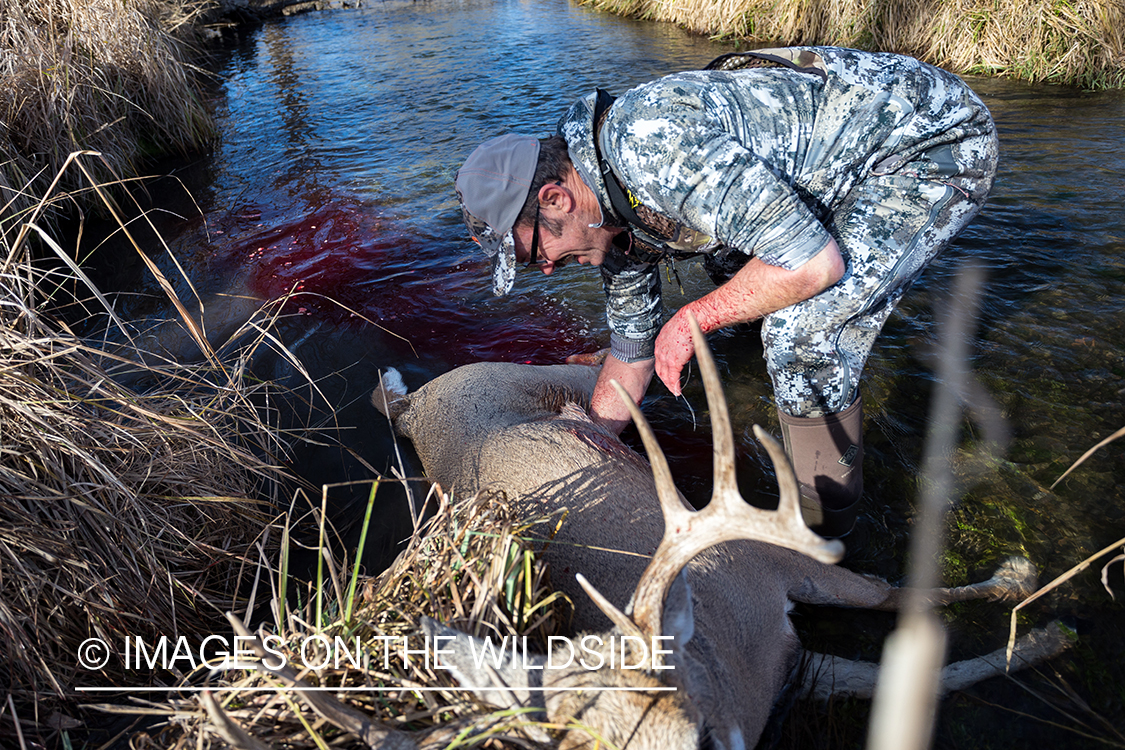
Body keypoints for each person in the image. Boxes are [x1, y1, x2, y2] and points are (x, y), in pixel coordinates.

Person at [453, 46, 997, 537]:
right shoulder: (609, 224)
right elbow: (632, 353)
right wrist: (592, 444)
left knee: (799, 335)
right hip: (831, 167)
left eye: (532, 254)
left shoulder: (649, 149)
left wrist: (691, 321)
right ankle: (808, 414)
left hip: (926, 142)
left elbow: (813, 264)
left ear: (556, 199)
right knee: (734, 273)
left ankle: (828, 527)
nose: (545, 270)